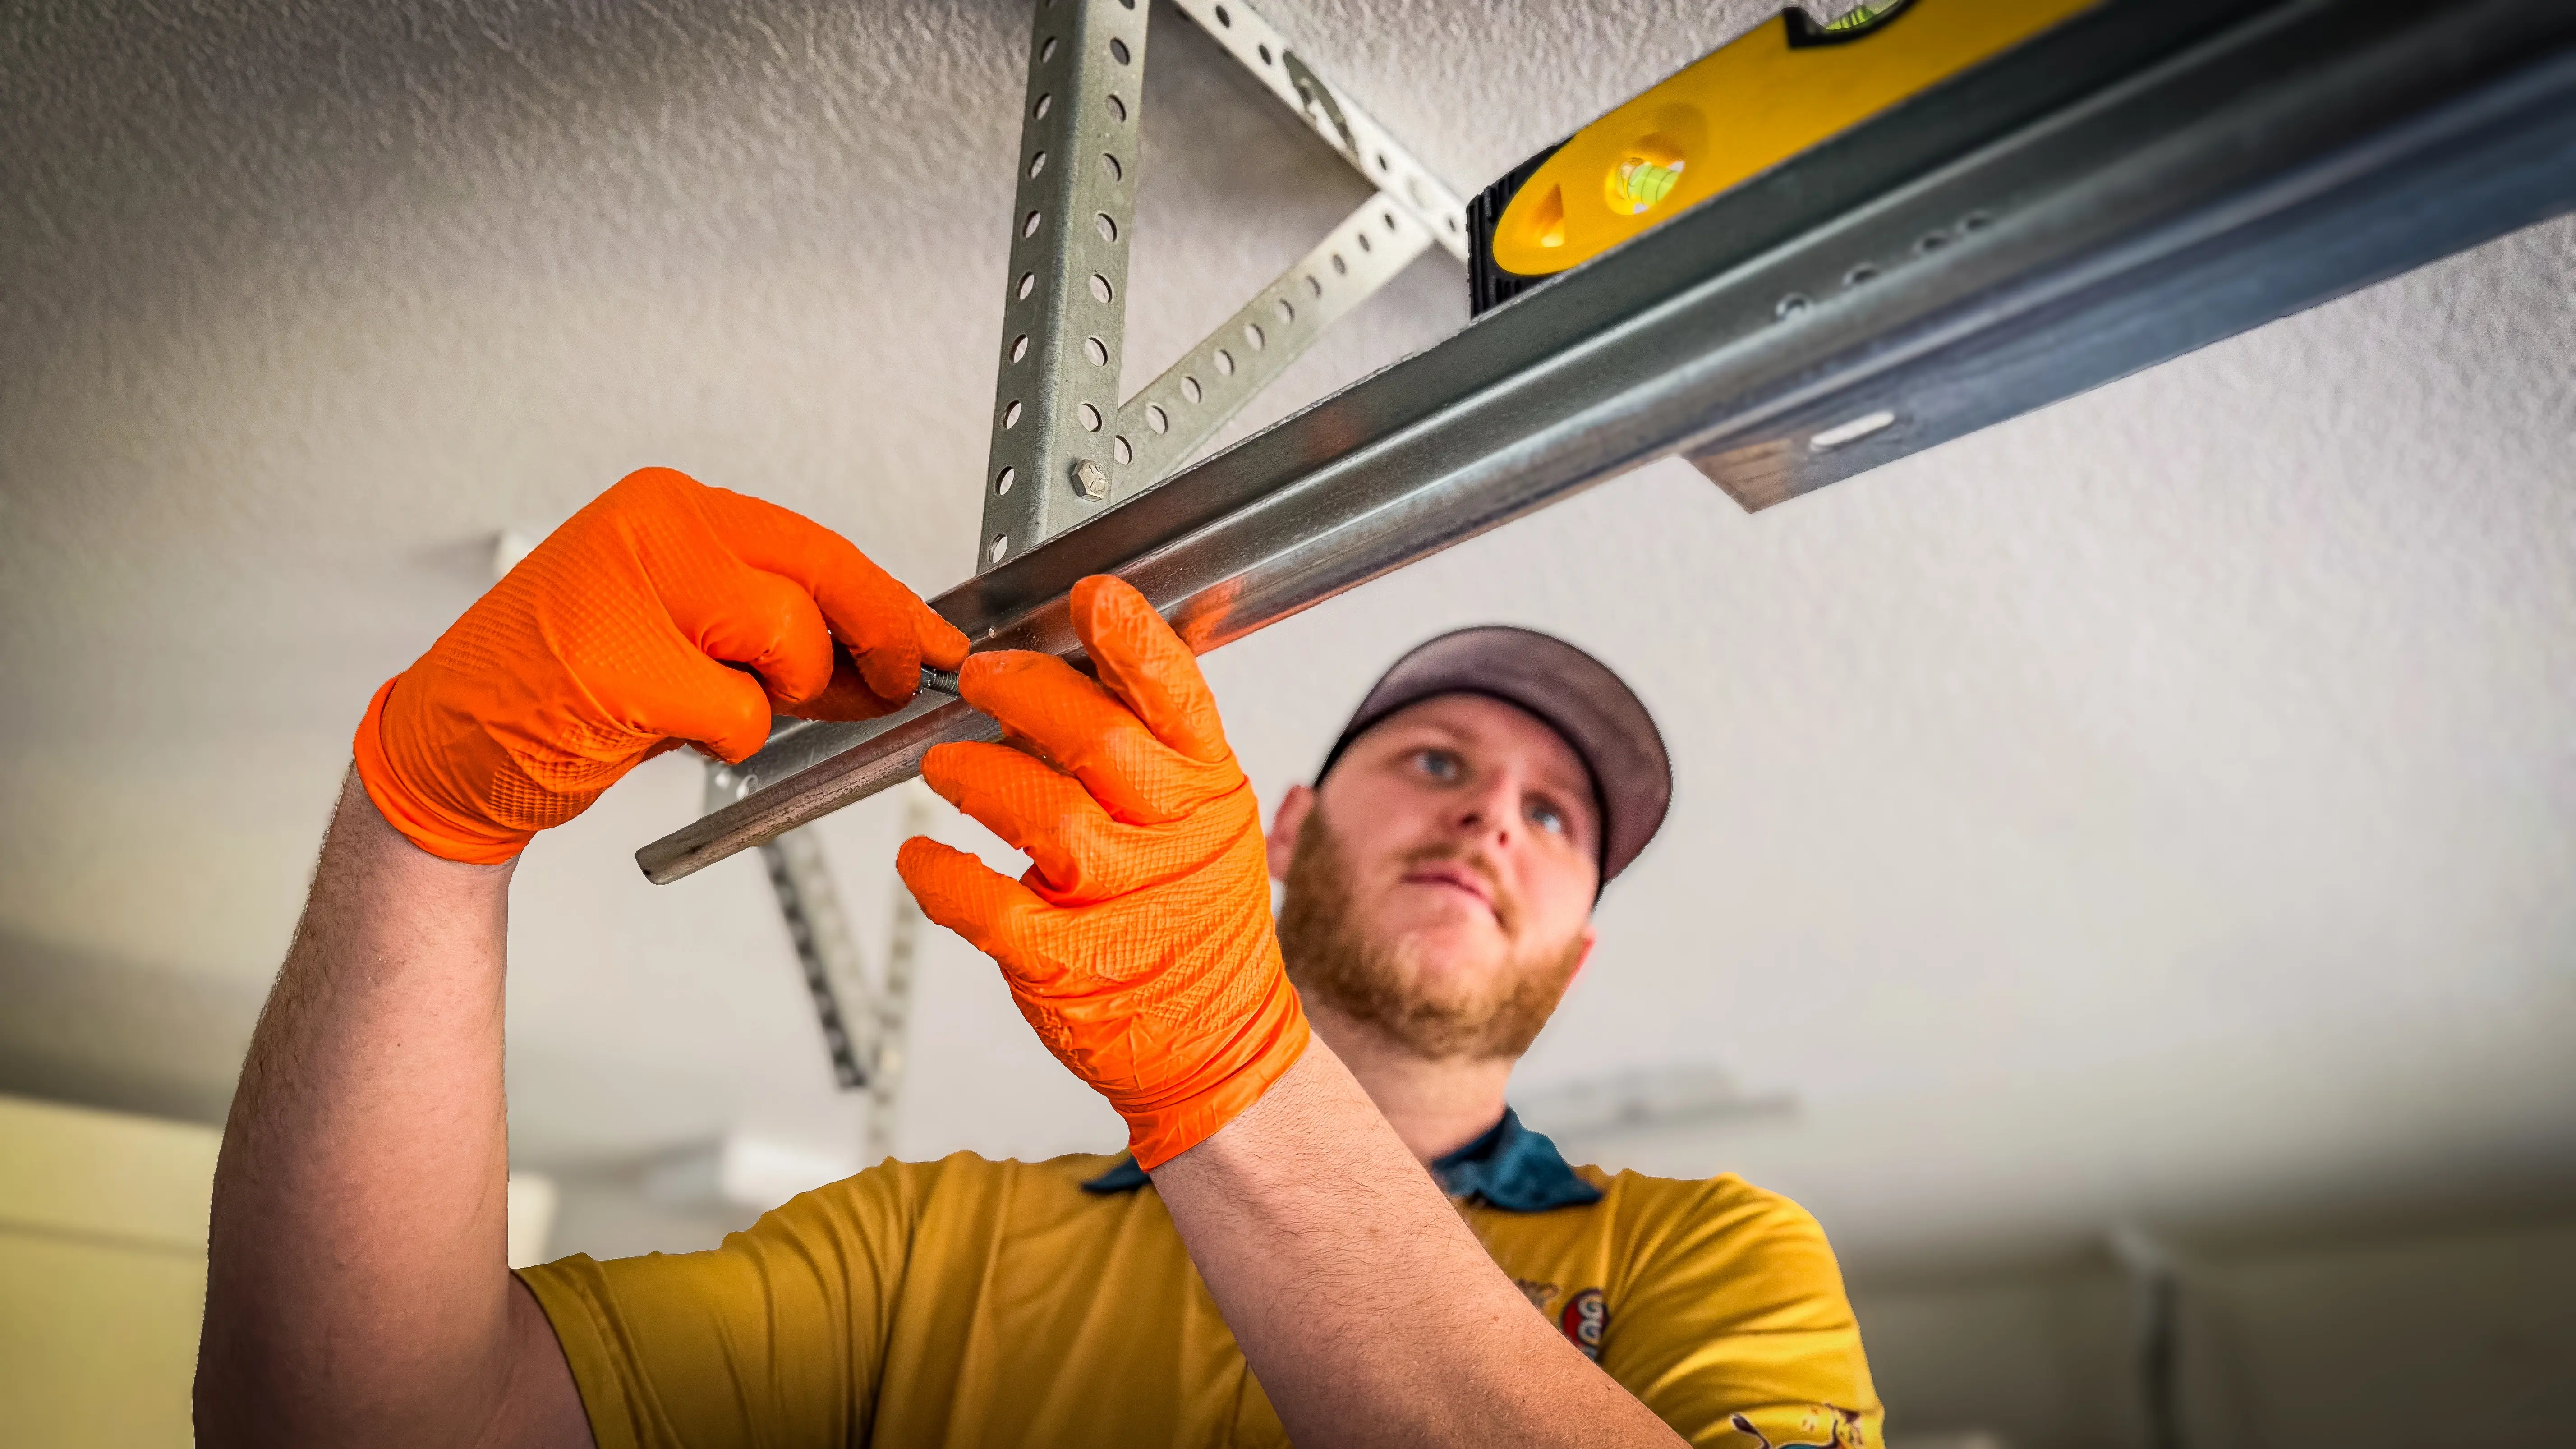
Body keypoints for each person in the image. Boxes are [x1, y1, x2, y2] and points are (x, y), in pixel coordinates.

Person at [194, 469, 1880, 1449]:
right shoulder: (933, 1250)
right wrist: (423, 816)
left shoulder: (1715, 1253)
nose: (1493, 821)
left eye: (1556, 818)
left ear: (1575, 956)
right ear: (1287, 828)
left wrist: (1230, 1063)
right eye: (1436, 761)